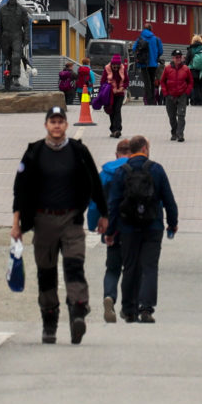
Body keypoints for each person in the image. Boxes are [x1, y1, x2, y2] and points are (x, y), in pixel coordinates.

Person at [12, 103, 106, 344]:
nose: (56, 126)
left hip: (71, 220)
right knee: (47, 274)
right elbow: (20, 189)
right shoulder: (34, 152)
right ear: (46, 125)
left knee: (74, 267)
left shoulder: (78, 151)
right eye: (52, 122)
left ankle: (77, 312)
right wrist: (16, 224)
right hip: (42, 221)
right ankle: (49, 322)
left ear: (66, 125)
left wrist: (104, 214)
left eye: (60, 122)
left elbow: (95, 182)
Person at [100, 135, 179, 322]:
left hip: (128, 227)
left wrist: (110, 232)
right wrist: (172, 223)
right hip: (153, 225)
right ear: (144, 149)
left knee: (130, 267)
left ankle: (129, 310)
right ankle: (146, 309)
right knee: (149, 267)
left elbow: (114, 204)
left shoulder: (122, 172)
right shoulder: (156, 169)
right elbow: (168, 199)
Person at [89, 138, 133, 322]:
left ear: (116, 154)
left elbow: (94, 202)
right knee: (132, 267)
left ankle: (109, 296)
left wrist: (93, 224)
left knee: (112, 268)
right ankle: (129, 307)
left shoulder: (105, 173)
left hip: (112, 227)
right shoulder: (138, 170)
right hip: (134, 227)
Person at [0, 0, 33, 89]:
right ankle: (7, 81)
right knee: (7, 59)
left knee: (16, 56)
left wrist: (27, 37)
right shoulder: (2, 10)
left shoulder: (22, 10)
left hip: (17, 36)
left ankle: (16, 78)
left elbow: (26, 25)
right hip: (5, 36)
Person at [159, 48, 195, 142]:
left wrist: (187, 92)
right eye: (176, 57)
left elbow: (190, 81)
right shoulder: (167, 68)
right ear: (173, 58)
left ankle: (180, 134)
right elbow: (162, 81)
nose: (178, 59)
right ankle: (174, 132)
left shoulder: (186, 69)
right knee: (172, 116)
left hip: (182, 95)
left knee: (181, 115)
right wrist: (165, 93)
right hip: (170, 95)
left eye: (179, 57)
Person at [103, 53, 129, 138]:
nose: (115, 67)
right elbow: (103, 81)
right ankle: (113, 129)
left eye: (117, 65)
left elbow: (126, 81)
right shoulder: (107, 69)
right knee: (111, 111)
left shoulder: (123, 69)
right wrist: (110, 88)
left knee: (117, 110)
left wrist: (123, 87)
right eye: (114, 65)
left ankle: (118, 130)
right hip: (110, 94)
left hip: (120, 93)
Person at [137, 25, 164, 103]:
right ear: (151, 29)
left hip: (143, 64)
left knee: (146, 82)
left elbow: (134, 48)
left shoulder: (140, 38)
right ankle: (152, 99)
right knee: (152, 81)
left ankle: (148, 99)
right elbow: (161, 51)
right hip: (153, 64)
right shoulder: (156, 39)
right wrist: (155, 55)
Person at [187, 38, 202, 105]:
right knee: (201, 86)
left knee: (195, 86)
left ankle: (196, 102)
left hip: (193, 71)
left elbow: (187, 61)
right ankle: (201, 101)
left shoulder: (191, 49)